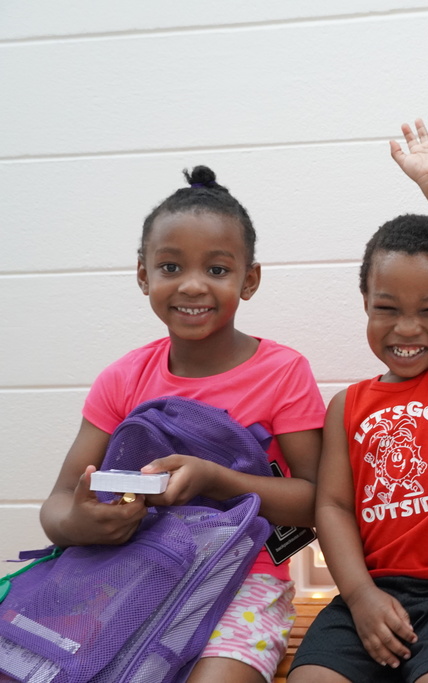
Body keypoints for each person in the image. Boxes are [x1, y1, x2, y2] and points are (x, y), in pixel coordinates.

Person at [40, 166, 326, 683]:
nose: (192, 285)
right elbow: (58, 504)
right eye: (171, 266)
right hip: (130, 577)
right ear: (143, 275)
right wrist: (83, 524)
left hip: (246, 583)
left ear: (250, 279)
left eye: (217, 270)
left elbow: (318, 503)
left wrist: (220, 480)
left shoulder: (283, 372)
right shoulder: (123, 379)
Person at [288, 117, 428, 683]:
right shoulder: (349, 405)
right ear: (365, 301)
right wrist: (358, 596)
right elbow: (331, 507)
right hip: (369, 593)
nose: (407, 328)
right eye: (388, 307)